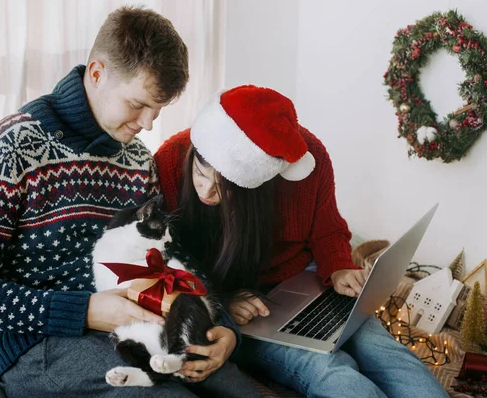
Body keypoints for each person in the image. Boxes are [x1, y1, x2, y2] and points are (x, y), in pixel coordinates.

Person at [0, 7, 260, 398]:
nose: (148, 123)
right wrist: (86, 310)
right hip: (41, 345)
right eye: (137, 104)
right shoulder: (6, 150)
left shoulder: (138, 159)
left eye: (158, 110)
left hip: (144, 325)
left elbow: (173, 255)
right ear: (97, 73)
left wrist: (226, 328)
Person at [154, 85, 450, 398]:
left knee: (383, 350)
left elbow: (328, 229)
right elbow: (168, 262)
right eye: (201, 173)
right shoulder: (171, 159)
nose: (205, 192)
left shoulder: (305, 158)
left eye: (225, 189)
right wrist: (221, 302)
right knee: (331, 369)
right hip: (243, 307)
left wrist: (338, 269)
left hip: (305, 280)